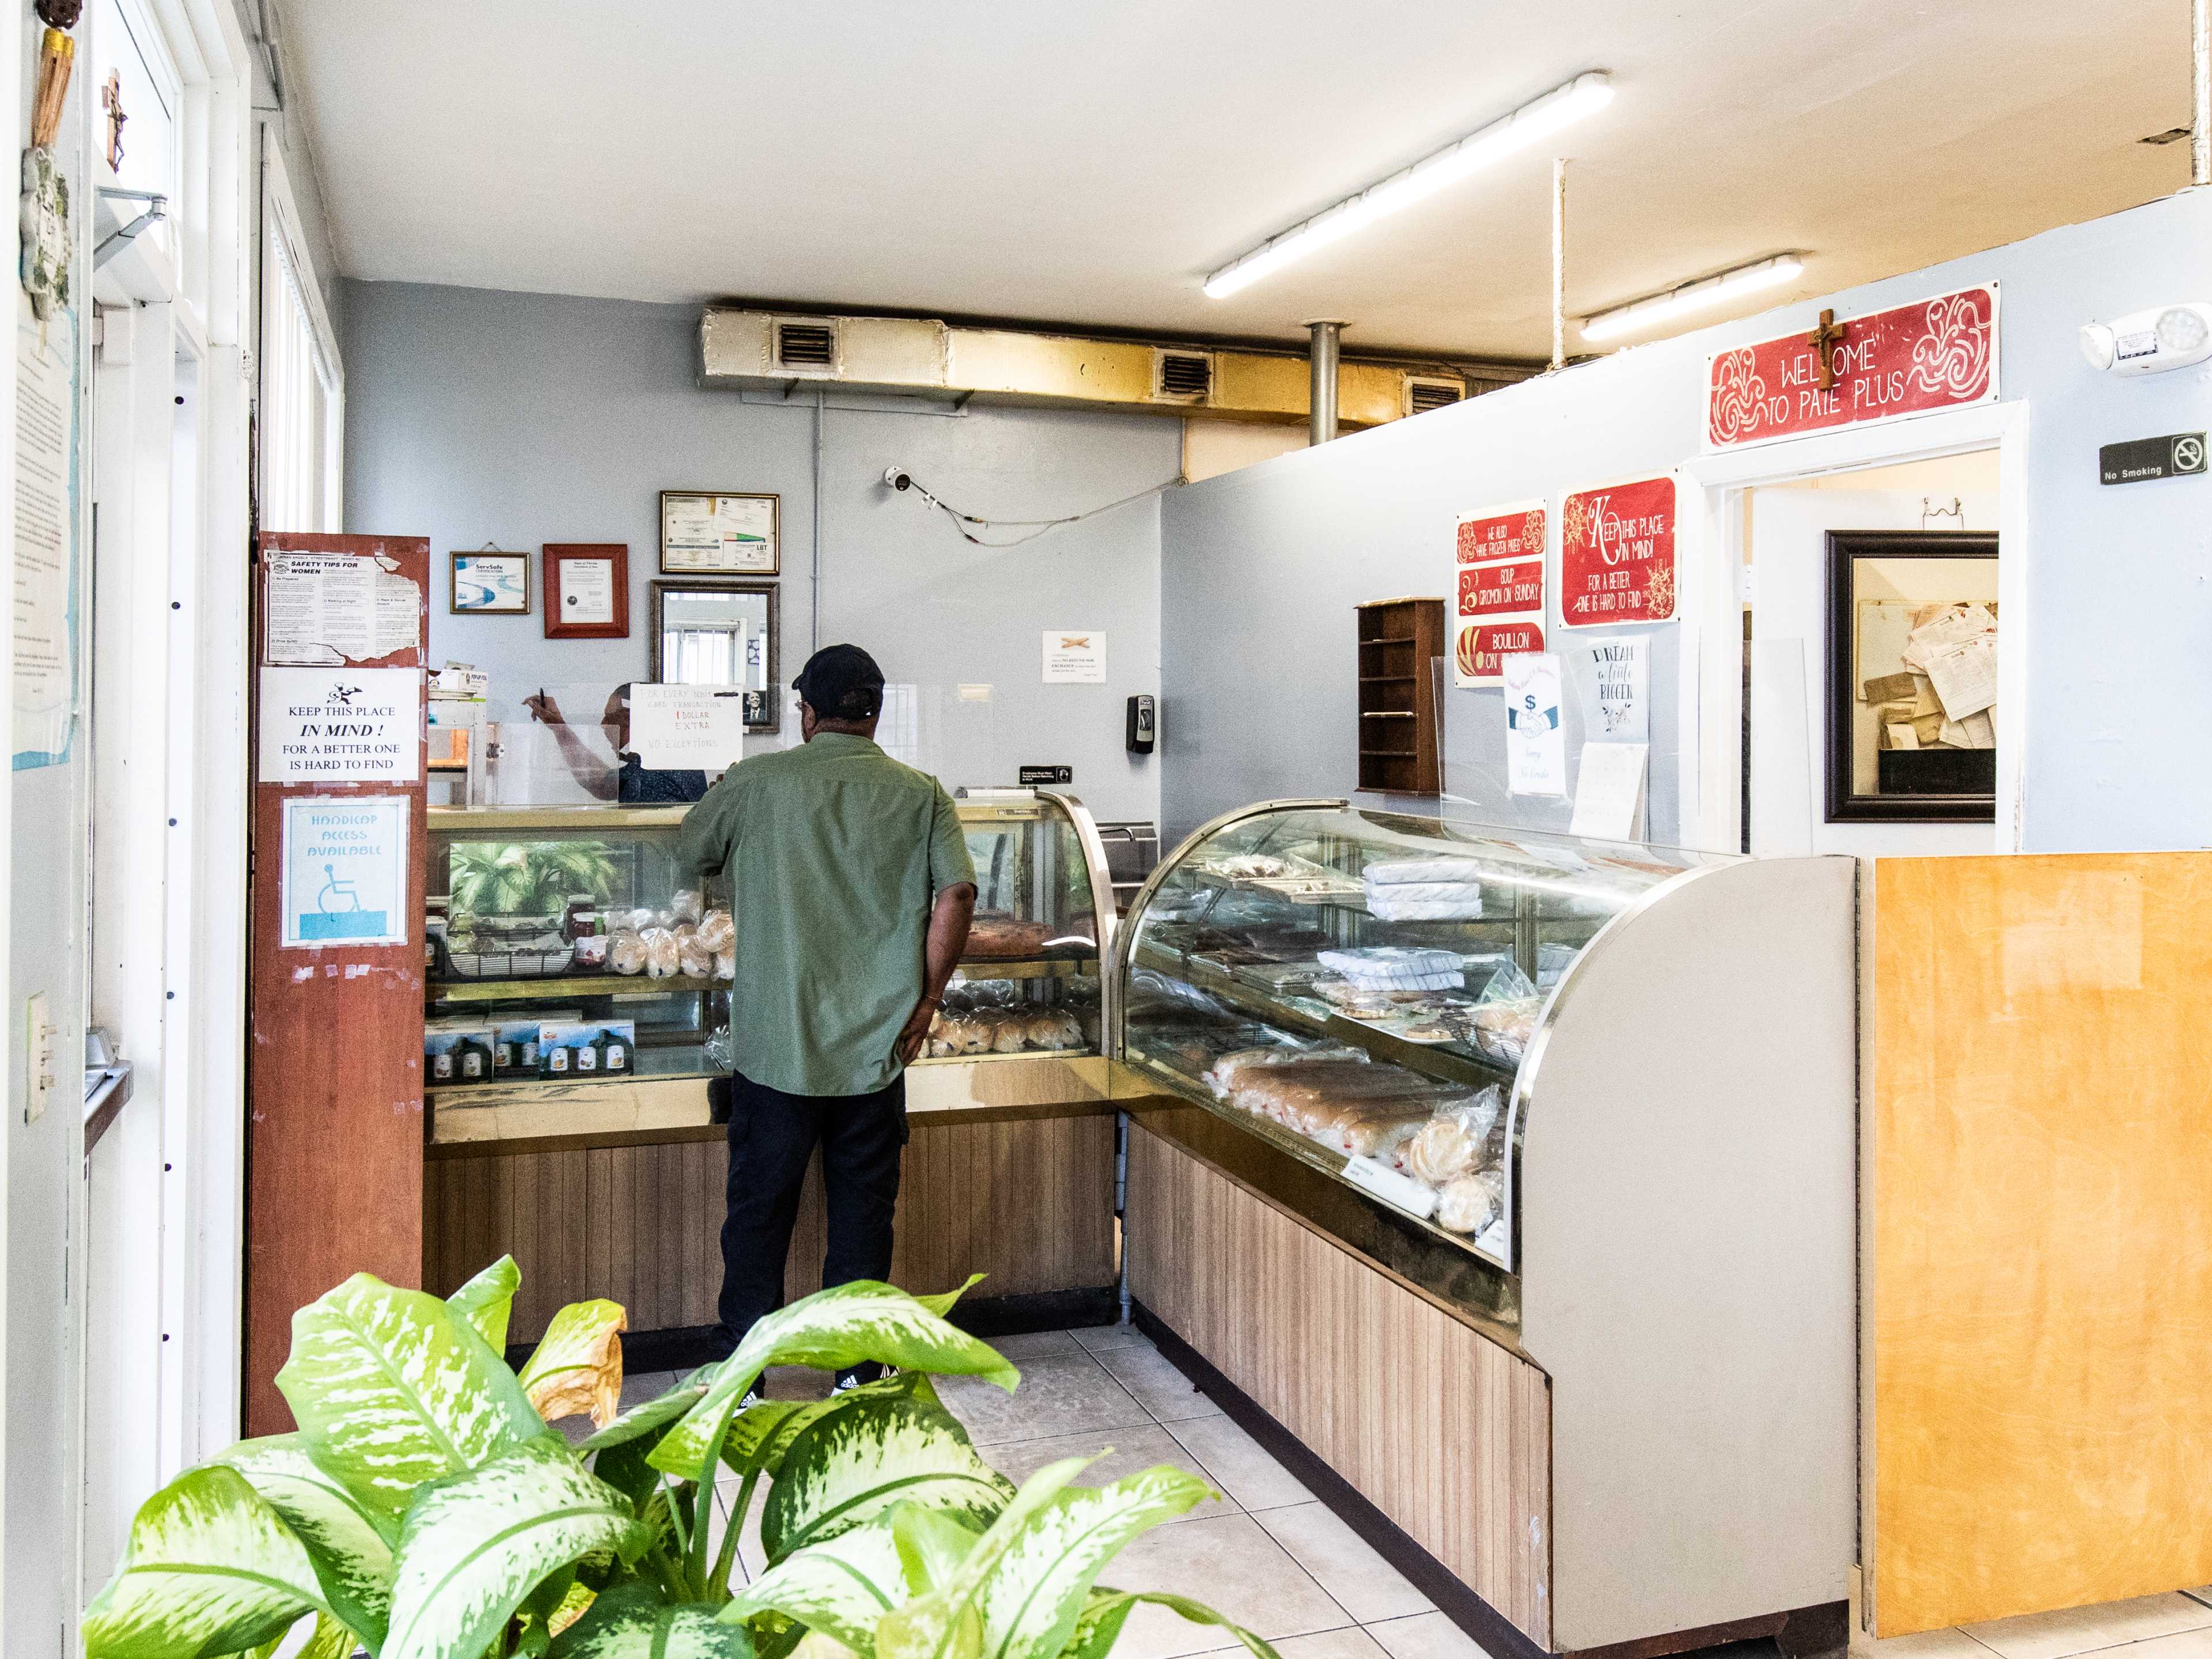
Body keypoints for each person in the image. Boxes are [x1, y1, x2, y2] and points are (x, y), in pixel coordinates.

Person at [676, 643, 976, 1395]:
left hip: (776, 1047)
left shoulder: (757, 781)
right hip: (874, 1051)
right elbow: (958, 896)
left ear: (806, 712)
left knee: (756, 1215)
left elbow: (690, 847)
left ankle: (741, 1377)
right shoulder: (923, 793)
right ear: (876, 712)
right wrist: (929, 998)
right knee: (863, 1218)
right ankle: (856, 1370)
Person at [524, 683, 708, 805]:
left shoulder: (648, 779)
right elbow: (602, 784)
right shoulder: (666, 761)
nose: (604, 725)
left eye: (613, 718)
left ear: (640, 721)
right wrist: (559, 727)